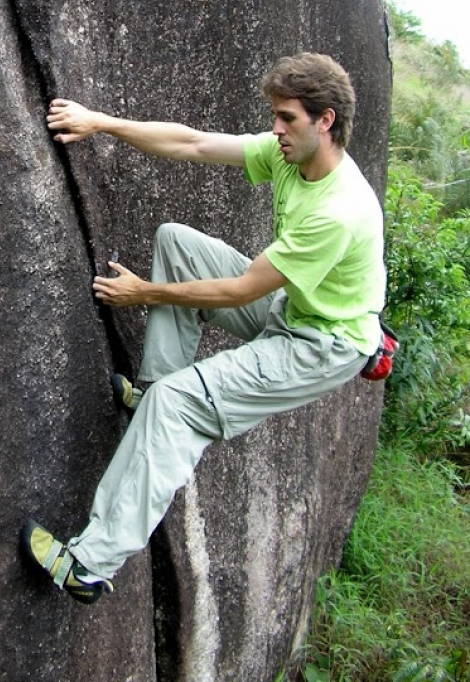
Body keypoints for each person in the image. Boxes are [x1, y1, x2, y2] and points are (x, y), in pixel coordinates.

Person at [22, 52, 386, 604]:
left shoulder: (338, 210)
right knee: (176, 241)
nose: (275, 128)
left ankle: (88, 566)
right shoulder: (291, 157)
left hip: (321, 345)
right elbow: (192, 143)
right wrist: (102, 122)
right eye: (274, 115)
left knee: (179, 405)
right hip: (298, 307)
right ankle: (149, 394)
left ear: (325, 120)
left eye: (287, 117)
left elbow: (240, 291)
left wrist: (143, 293)